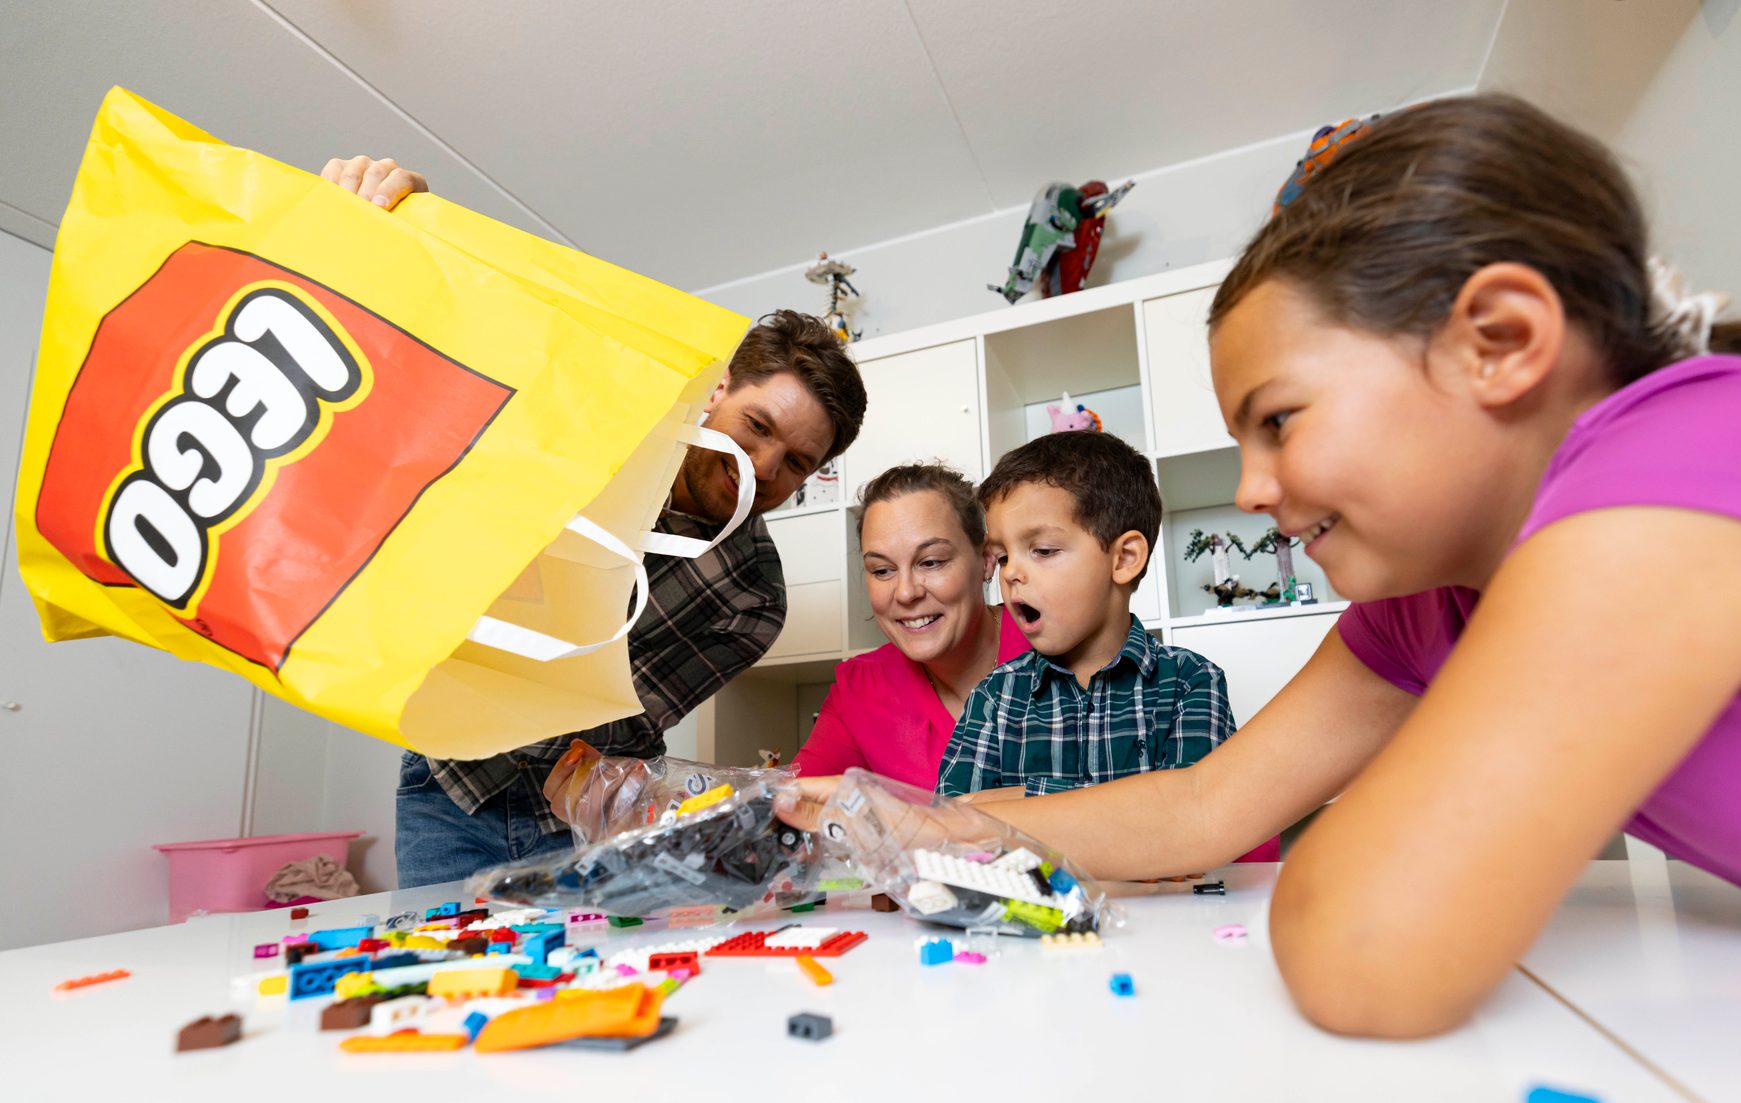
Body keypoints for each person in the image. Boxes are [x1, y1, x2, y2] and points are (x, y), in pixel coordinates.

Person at [781, 94, 1741, 1038]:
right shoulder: (1430, 606)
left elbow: (1365, 950)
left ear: (1503, 342)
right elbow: (1200, 805)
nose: (1253, 490)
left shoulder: (1689, 462)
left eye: (1278, 420)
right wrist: (937, 824)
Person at [313, 158, 868, 887]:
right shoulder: (592, 427)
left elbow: (612, 719)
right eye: (757, 425)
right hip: (448, 790)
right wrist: (404, 233)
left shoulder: (753, 598)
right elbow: (452, 359)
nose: (764, 467)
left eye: (796, 462)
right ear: (717, 389)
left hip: (578, 817)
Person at [937, 432, 1236, 798]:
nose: (1011, 572)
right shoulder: (994, 698)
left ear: (1124, 558)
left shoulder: (1190, 683)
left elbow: (1192, 819)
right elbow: (954, 823)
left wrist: (1021, 797)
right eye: (1002, 557)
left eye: (1043, 550)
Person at [791, 464, 1029, 788]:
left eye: (931, 562)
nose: (906, 592)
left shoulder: (1053, 646)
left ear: (986, 559)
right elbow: (793, 804)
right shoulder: (860, 689)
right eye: (882, 570)